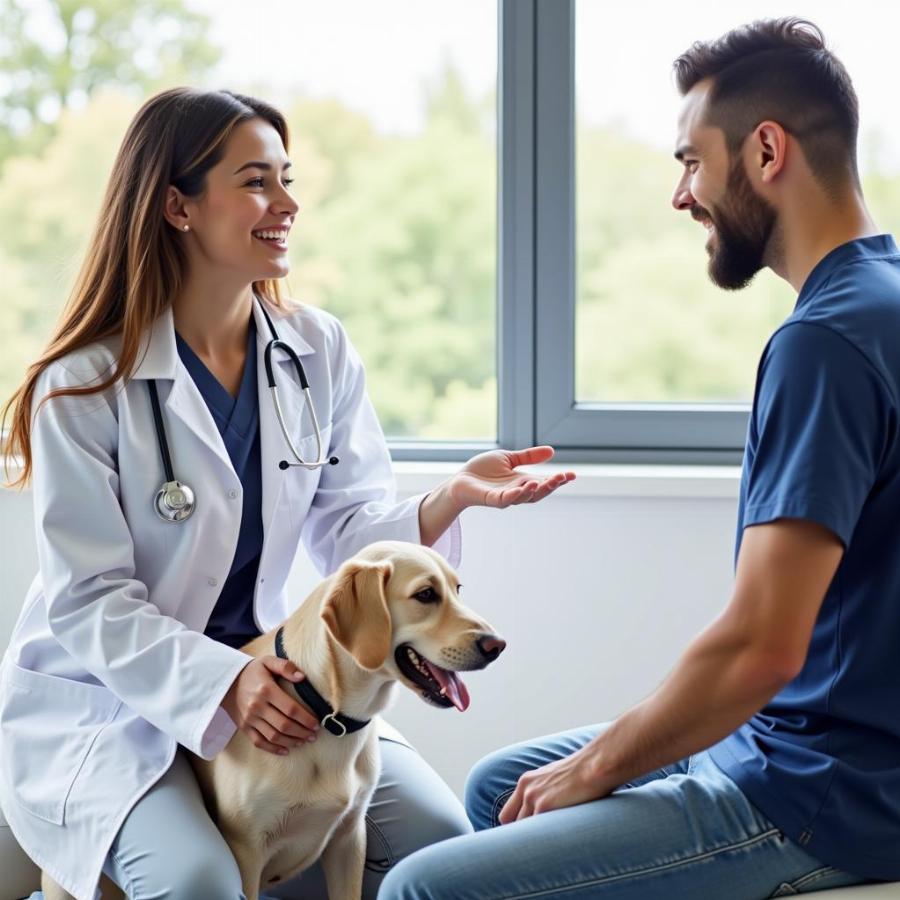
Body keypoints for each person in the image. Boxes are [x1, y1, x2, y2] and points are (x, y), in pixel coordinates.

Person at [0, 87, 575, 900]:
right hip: (117, 705)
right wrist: (224, 682)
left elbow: (350, 535)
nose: (288, 204)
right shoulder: (85, 387)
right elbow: (91, 602)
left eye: (286, 177)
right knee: (200, 883)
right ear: (178, 206)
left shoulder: (315, 349)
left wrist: (448, 499)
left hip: (280, 682)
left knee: (440, 851)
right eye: (257, 181)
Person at [378, 17, 900, 900]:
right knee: (500, 787)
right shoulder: (880, 298)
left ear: (766, 150)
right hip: (819, 745)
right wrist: (603, 759)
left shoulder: (825, 344)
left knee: (423, 890)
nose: (681, 195)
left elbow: (761, 647)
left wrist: (593, 771)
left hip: (827, 791)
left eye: (691, 161)